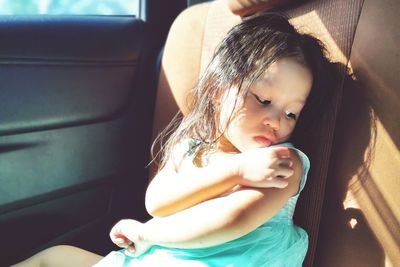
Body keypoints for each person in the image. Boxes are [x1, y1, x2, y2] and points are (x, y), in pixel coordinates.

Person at [13, 12, 335, 267]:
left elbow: (235, 219)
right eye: (263, 100)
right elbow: (156, 201)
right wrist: (236, 170)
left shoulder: (281, 162)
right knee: (54, 257)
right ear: (217, 91)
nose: (276, 120)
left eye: (292, 114)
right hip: (164, 257)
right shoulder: (193, 149)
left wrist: (149, 233)